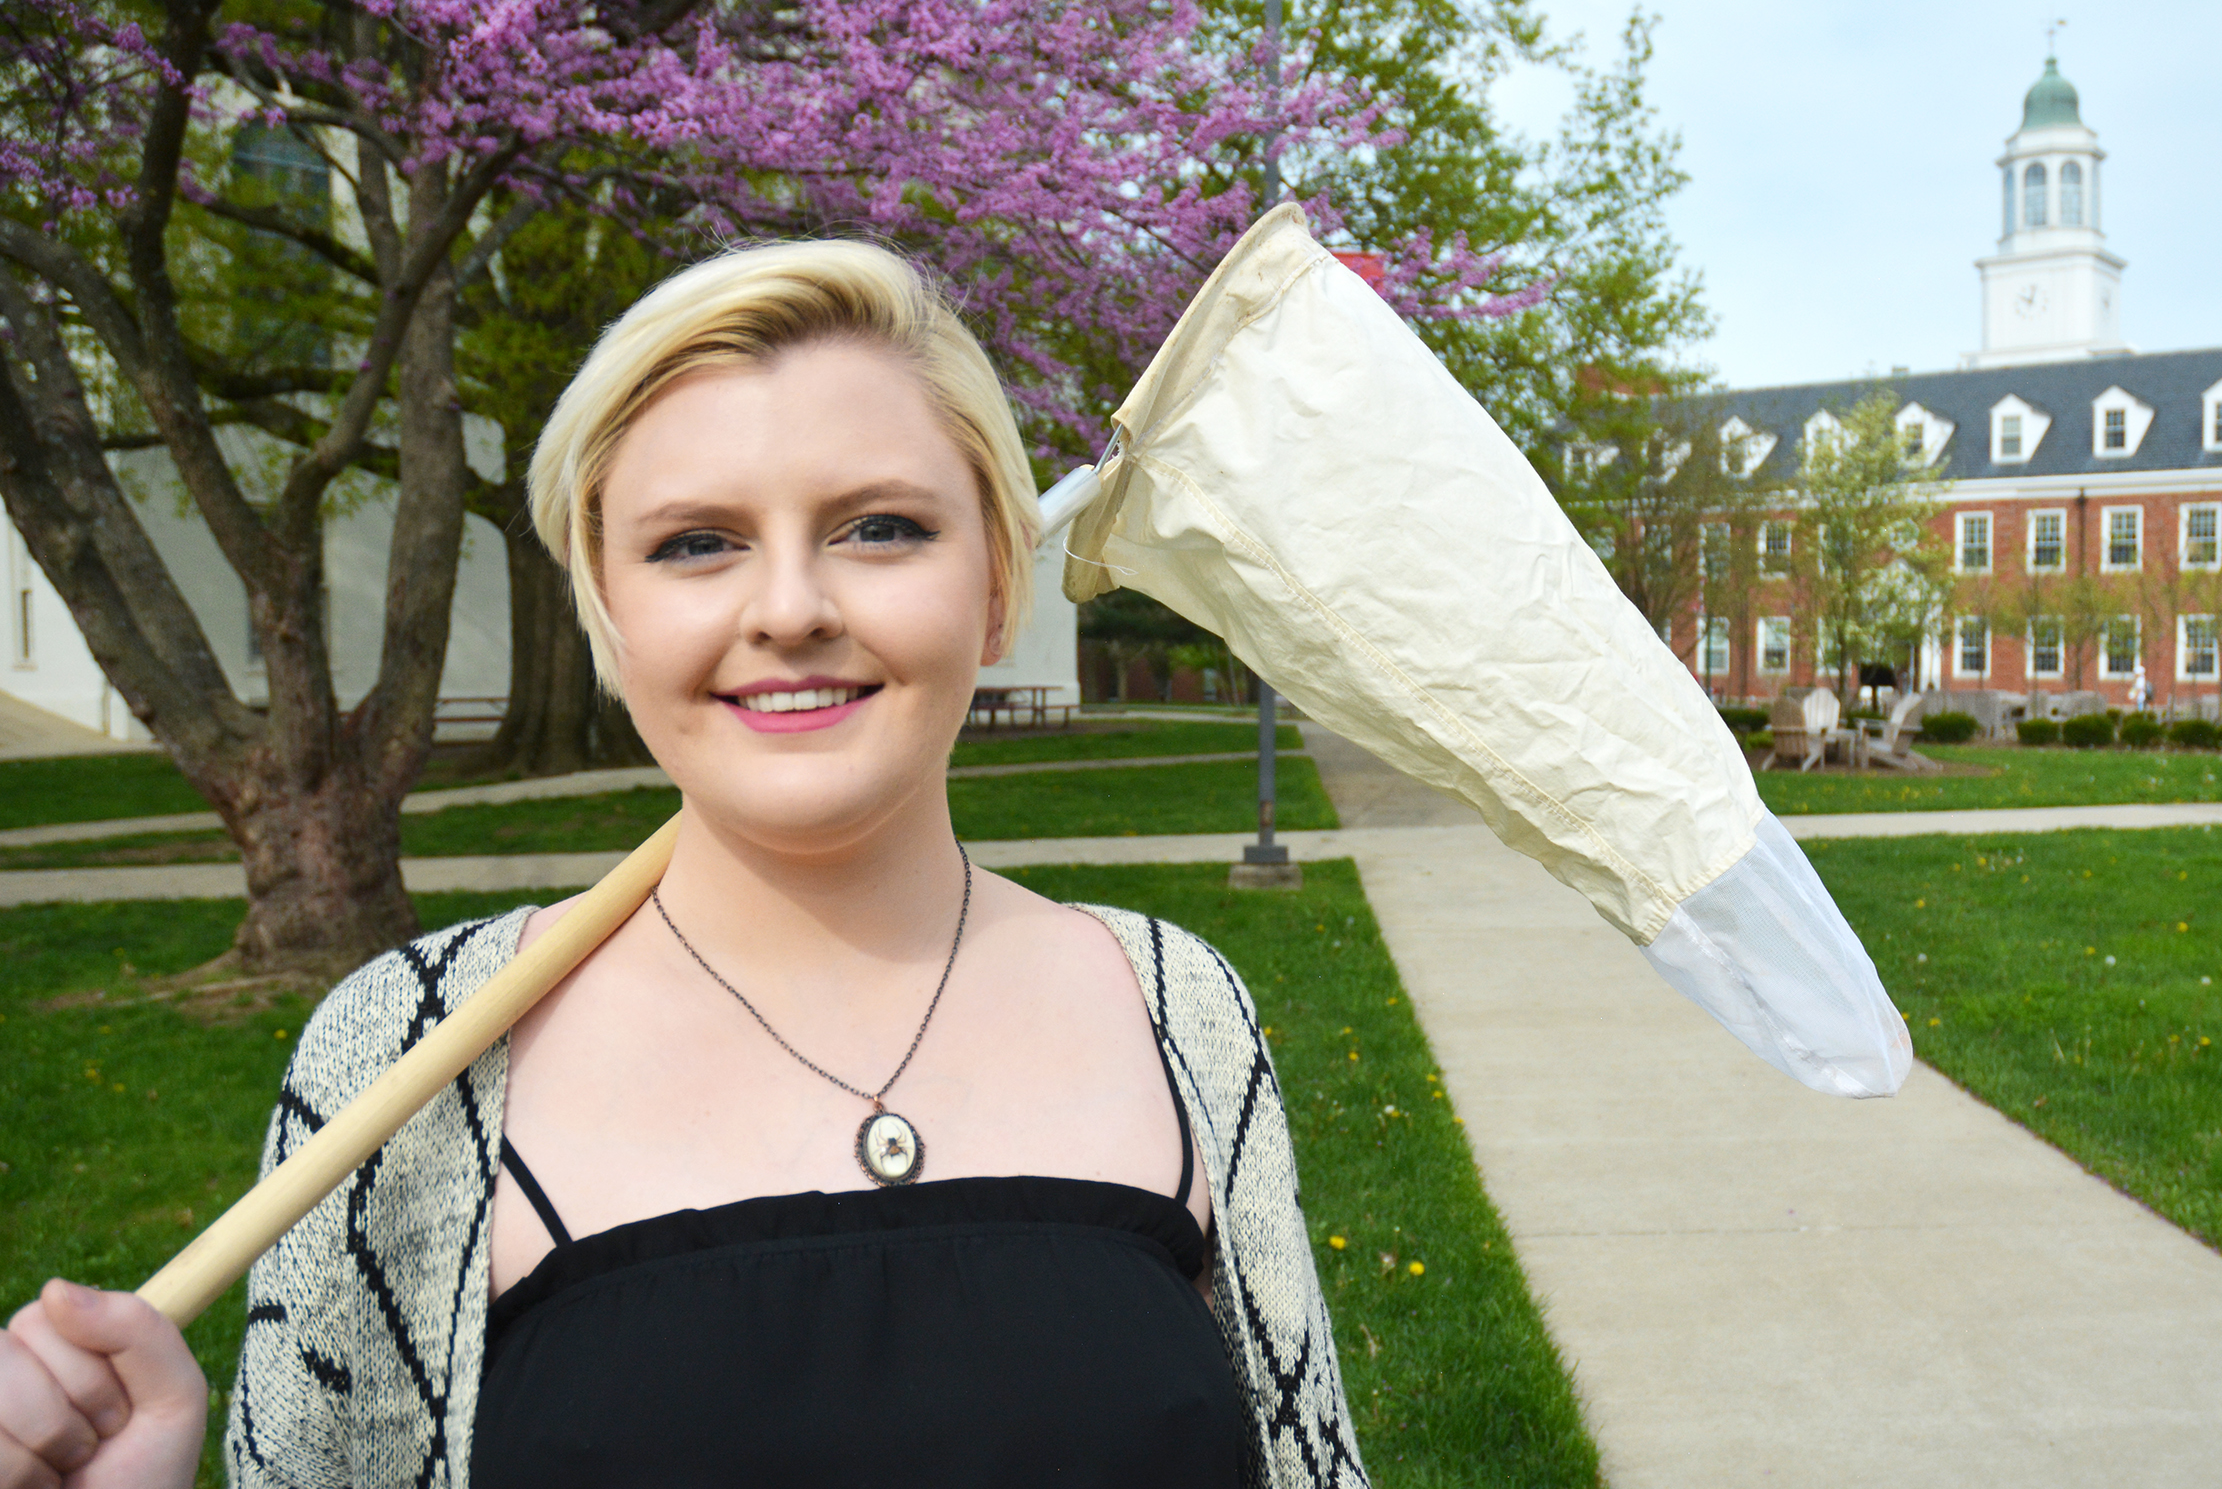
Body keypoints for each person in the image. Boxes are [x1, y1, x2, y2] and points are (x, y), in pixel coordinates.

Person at [0, 243, 1365, 1488]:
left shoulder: (1178, 1008)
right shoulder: (398, 1057)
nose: (789, 610)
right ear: (609, 607)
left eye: (880, 526)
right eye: (695, 544)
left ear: (998, 583)